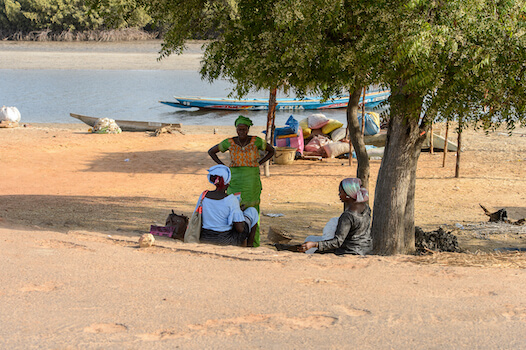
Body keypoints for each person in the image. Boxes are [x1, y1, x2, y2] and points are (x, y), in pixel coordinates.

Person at [208, 115, 275, 247]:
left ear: (248, 129)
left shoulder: (256, 141)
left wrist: (259, 163)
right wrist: (223, 167)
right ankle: (235, 240)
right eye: (239, 129)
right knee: (234, 208)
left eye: (244, 129)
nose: (241, 132)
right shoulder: (229, 142)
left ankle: (253, 242)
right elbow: (211, 151)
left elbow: (271, 151)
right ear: (236, 129)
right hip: (235, 179)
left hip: (252, 180)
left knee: (252, 209)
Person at [299, 178, 372, 255]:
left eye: (340, 192)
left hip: (350, 250)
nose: (339, 195)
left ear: (348, 195)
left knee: (316, 252)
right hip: (365, 248)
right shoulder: (366, 208)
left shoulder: (348, 216)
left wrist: (314, 244)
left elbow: (337, 242)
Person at [198, 164, 257, 247]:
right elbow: (240, 229)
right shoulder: (231, 200)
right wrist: (240, 213)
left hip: (205, 237)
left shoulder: (203, 195)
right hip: (225, 240)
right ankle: (250, 246)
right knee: (253, 212)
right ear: (227, 183)